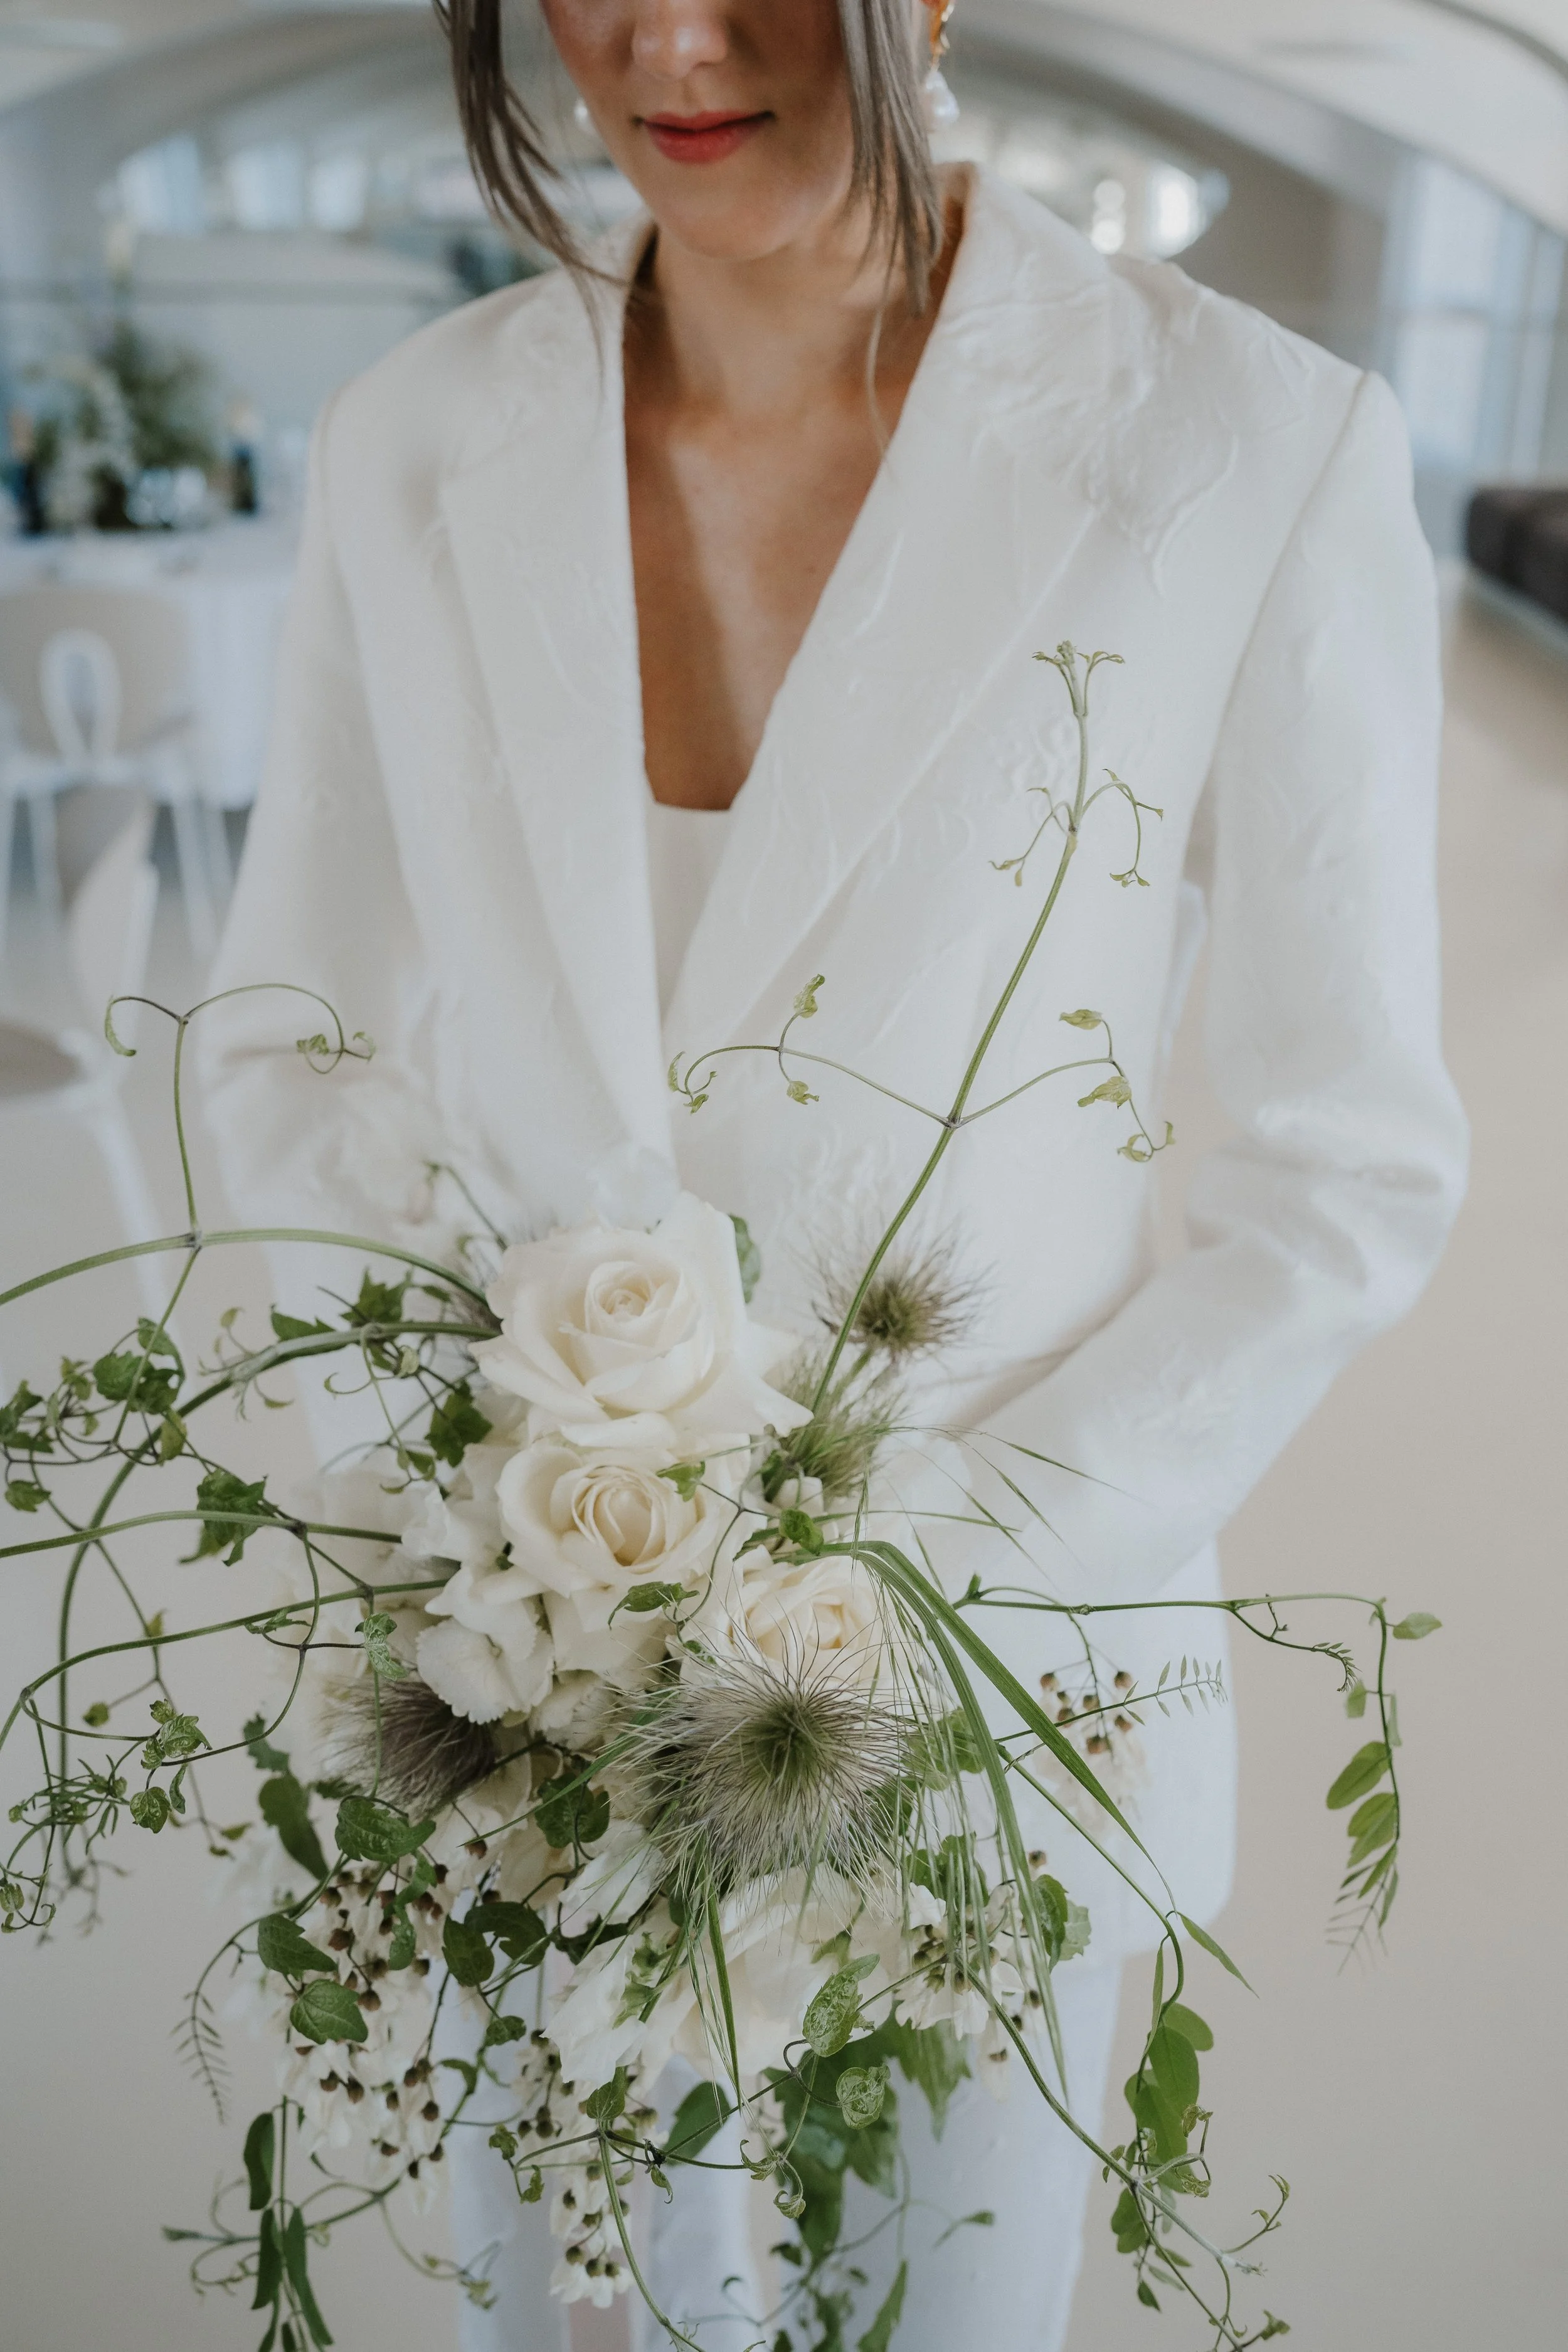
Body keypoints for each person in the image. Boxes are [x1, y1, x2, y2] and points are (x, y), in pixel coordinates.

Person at [201, 3, 1468, 2347]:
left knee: (932, 2312)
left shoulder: (1241, 442)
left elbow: (1344, 1166)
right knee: (553, 2307)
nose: (673, 39)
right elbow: (289, 1042)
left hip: (999, 1707)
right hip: (525, 1702)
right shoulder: (414, 440)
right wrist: (496, 1536)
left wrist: (897, 1592)